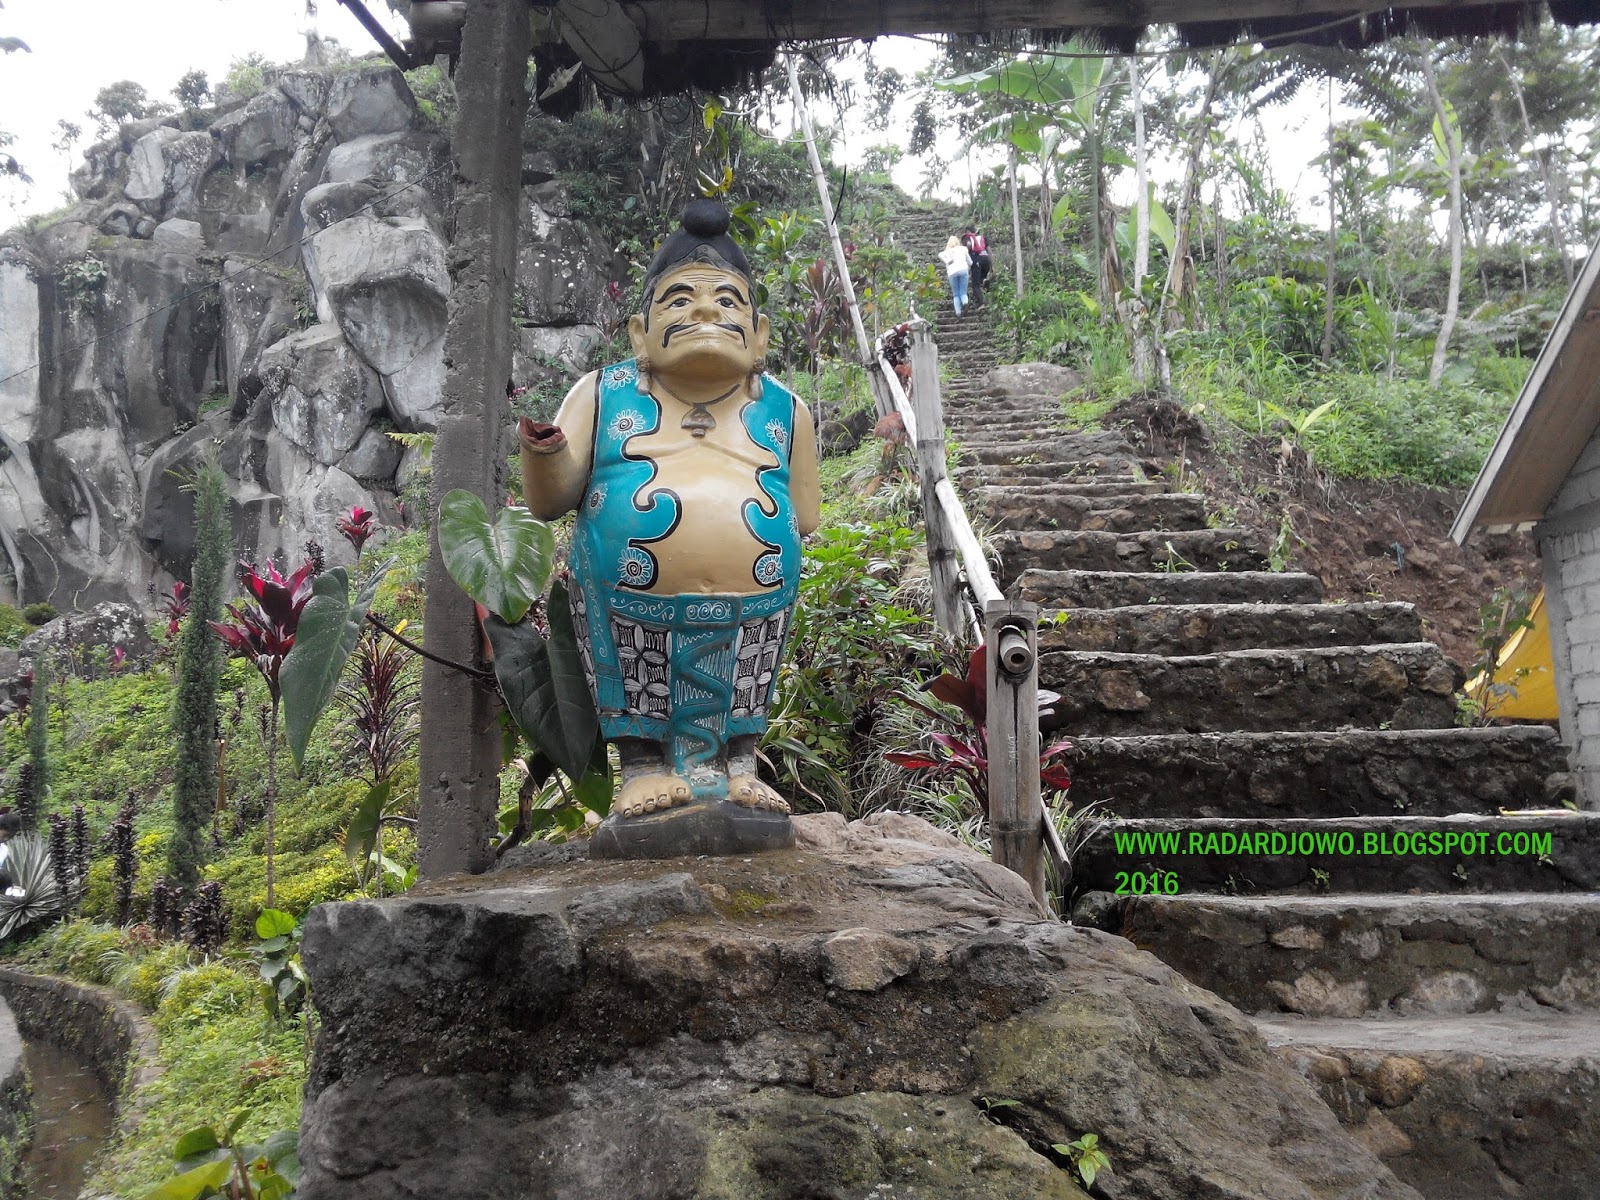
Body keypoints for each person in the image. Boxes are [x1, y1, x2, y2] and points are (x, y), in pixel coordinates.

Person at [519, 199, 821, 856]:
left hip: (757, 603)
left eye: (727, 303)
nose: (705, 313)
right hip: (626, 602)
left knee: (746, 679)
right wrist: (544, 454)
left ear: (760, 333)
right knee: (637, 677)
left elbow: (807, 516)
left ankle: (740, 764)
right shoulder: (602, 393)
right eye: (679, 301)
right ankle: (644, 768)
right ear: (639, 332)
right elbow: (550, 501)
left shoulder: (785, 409)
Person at [939, 235, 972, 316]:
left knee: (956, 294)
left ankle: (958, 313)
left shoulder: (947, 251)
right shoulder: (963, 249)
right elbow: (970, 262)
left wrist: (947, 261)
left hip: (952, 273)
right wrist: (968, 266)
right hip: (963, 271)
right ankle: (965, 303)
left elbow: (939, 254)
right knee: (963, 293)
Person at [963, 226, 992, 306]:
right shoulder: (983, 238)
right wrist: (991, 266)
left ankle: (981, 303)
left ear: (967, 232)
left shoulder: (967, 238)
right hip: (986, 260)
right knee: (981, 278)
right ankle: (984, 280)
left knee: (975, 285)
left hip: (976, 261)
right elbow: (989, 251)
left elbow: (968, 245)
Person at [0, 811, 20, 893]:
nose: (6, 839)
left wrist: (11, 887)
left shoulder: (4, 850)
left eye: (10, 837)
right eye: (4, 835)